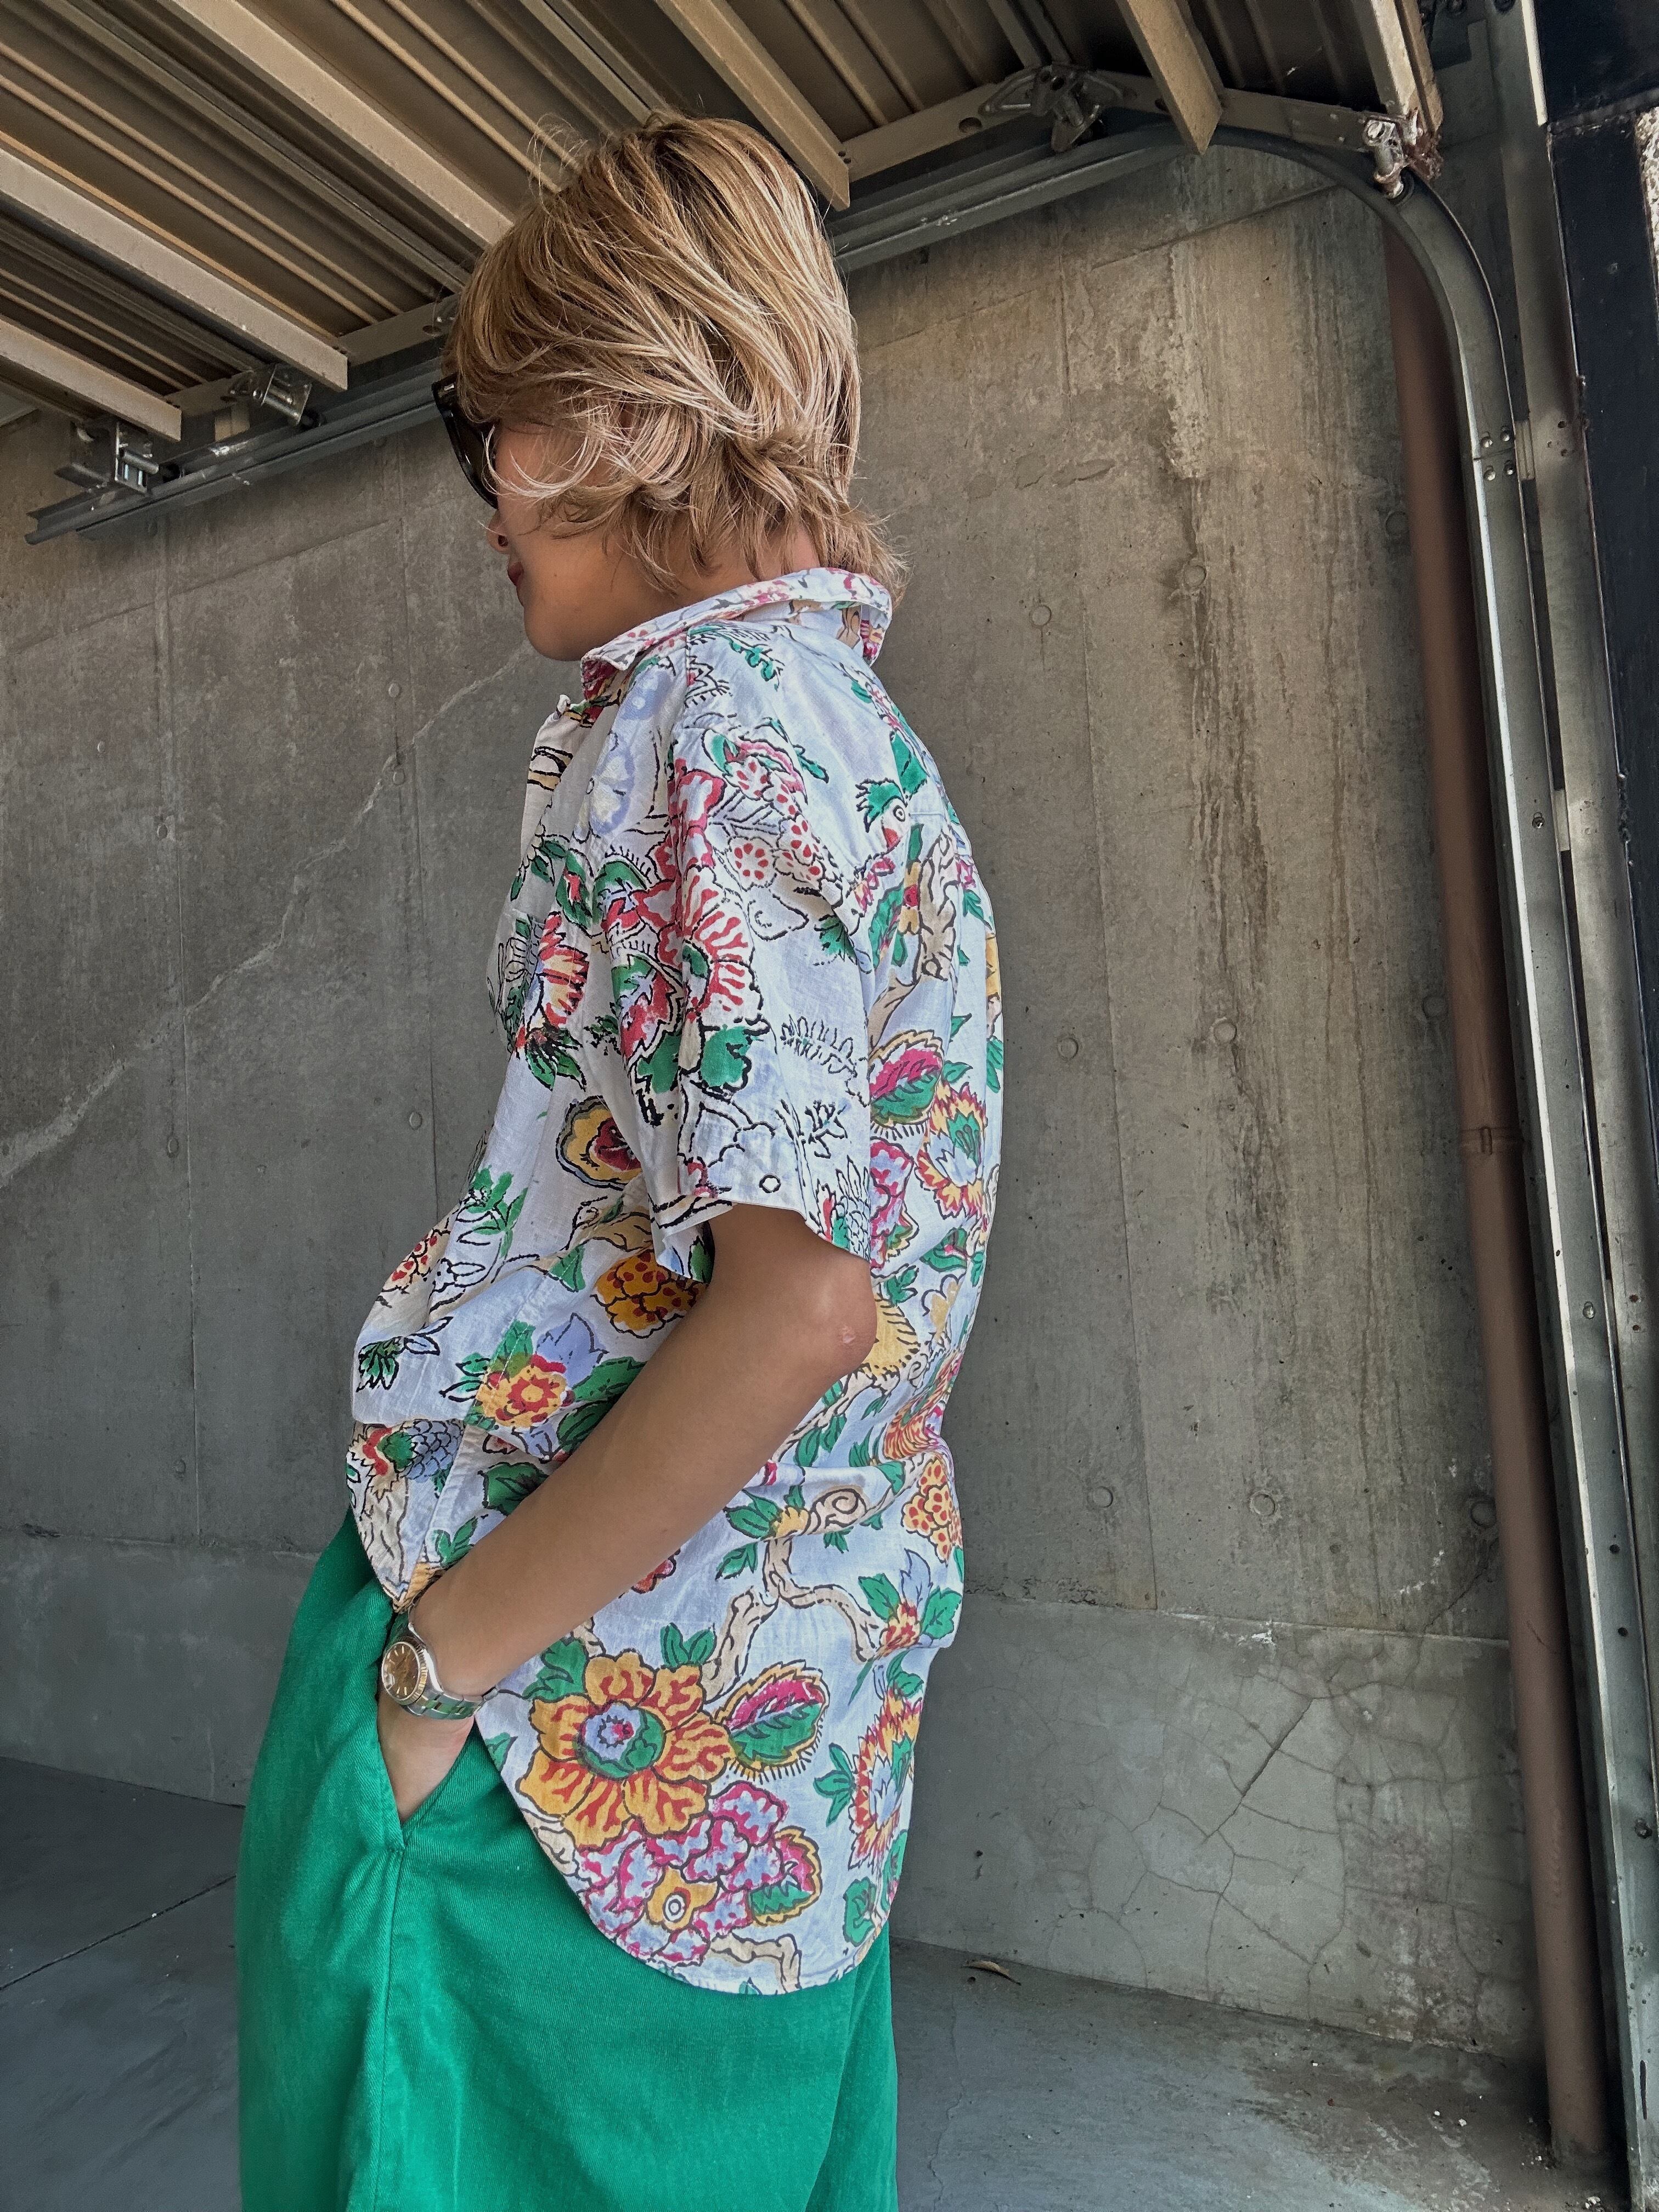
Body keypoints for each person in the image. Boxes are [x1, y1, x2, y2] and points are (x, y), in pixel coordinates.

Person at [235, 112, 1002, 2212]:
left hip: (565, 1740)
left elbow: (798, 1304)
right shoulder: (855, 738)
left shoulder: (709, 720)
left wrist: (437, 1667)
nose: (487, 489)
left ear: (644, 410)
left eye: (500, 420)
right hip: (767, 1746)